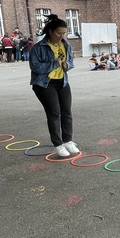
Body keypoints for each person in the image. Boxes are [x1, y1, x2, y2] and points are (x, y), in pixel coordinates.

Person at [29, 14, 80, 159]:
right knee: (54, 113)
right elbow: (35, 67)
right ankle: (58, 144)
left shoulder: (66, 44)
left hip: (62, 81)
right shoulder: (39, 48)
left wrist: (67, 65)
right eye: (59, 33)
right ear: (50, 31)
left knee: (67, 112)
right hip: (44, 84)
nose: (61, 36)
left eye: (64, 33)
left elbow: (70, 61)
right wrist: (54, 63)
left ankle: (68, 141)